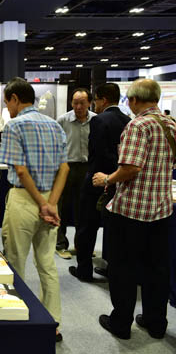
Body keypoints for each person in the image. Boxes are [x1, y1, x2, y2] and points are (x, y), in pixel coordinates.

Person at [92, 79, 175, 340]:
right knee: (157, 269)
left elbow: (131, 168)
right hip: (162, 209)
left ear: (135, 100)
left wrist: (106, 178)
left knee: (123, 269)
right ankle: (155, 322)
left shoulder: (137, 125)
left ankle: (121, 323)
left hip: (131, 211)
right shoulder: (170, 124)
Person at [0, 77, 69, 342]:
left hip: (25, 200)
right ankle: (53, 324)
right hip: (51, 199)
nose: (8, 108)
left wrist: (41, 203)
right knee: (47, 263)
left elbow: (20, 170)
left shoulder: (14, 126)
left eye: (8, 103)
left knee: (15, 261)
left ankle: (17, 320)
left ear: (15, 98)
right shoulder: (55, 125)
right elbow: (65, 168)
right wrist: (51, 204)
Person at [69, 83, 130, 282]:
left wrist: (95, 176)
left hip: (97, 179)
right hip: (120, 180)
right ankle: (111, 267)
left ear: (102, 99)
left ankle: (84, 270)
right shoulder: (128, 120)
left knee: (87, 226)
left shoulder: (99, 120)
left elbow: (95, 152)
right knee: (114, 229)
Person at [55, 89, 95, 259]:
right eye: (75, 102)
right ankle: (60, 244)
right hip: (66, 167)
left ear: (89, 103)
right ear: (71, 103)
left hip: (87, 167)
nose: (78, 106)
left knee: (84, 209)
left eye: (82, 103)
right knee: (62, 207)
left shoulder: (96, 120)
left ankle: (82, 246)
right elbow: (55, 146)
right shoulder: (63, 120)